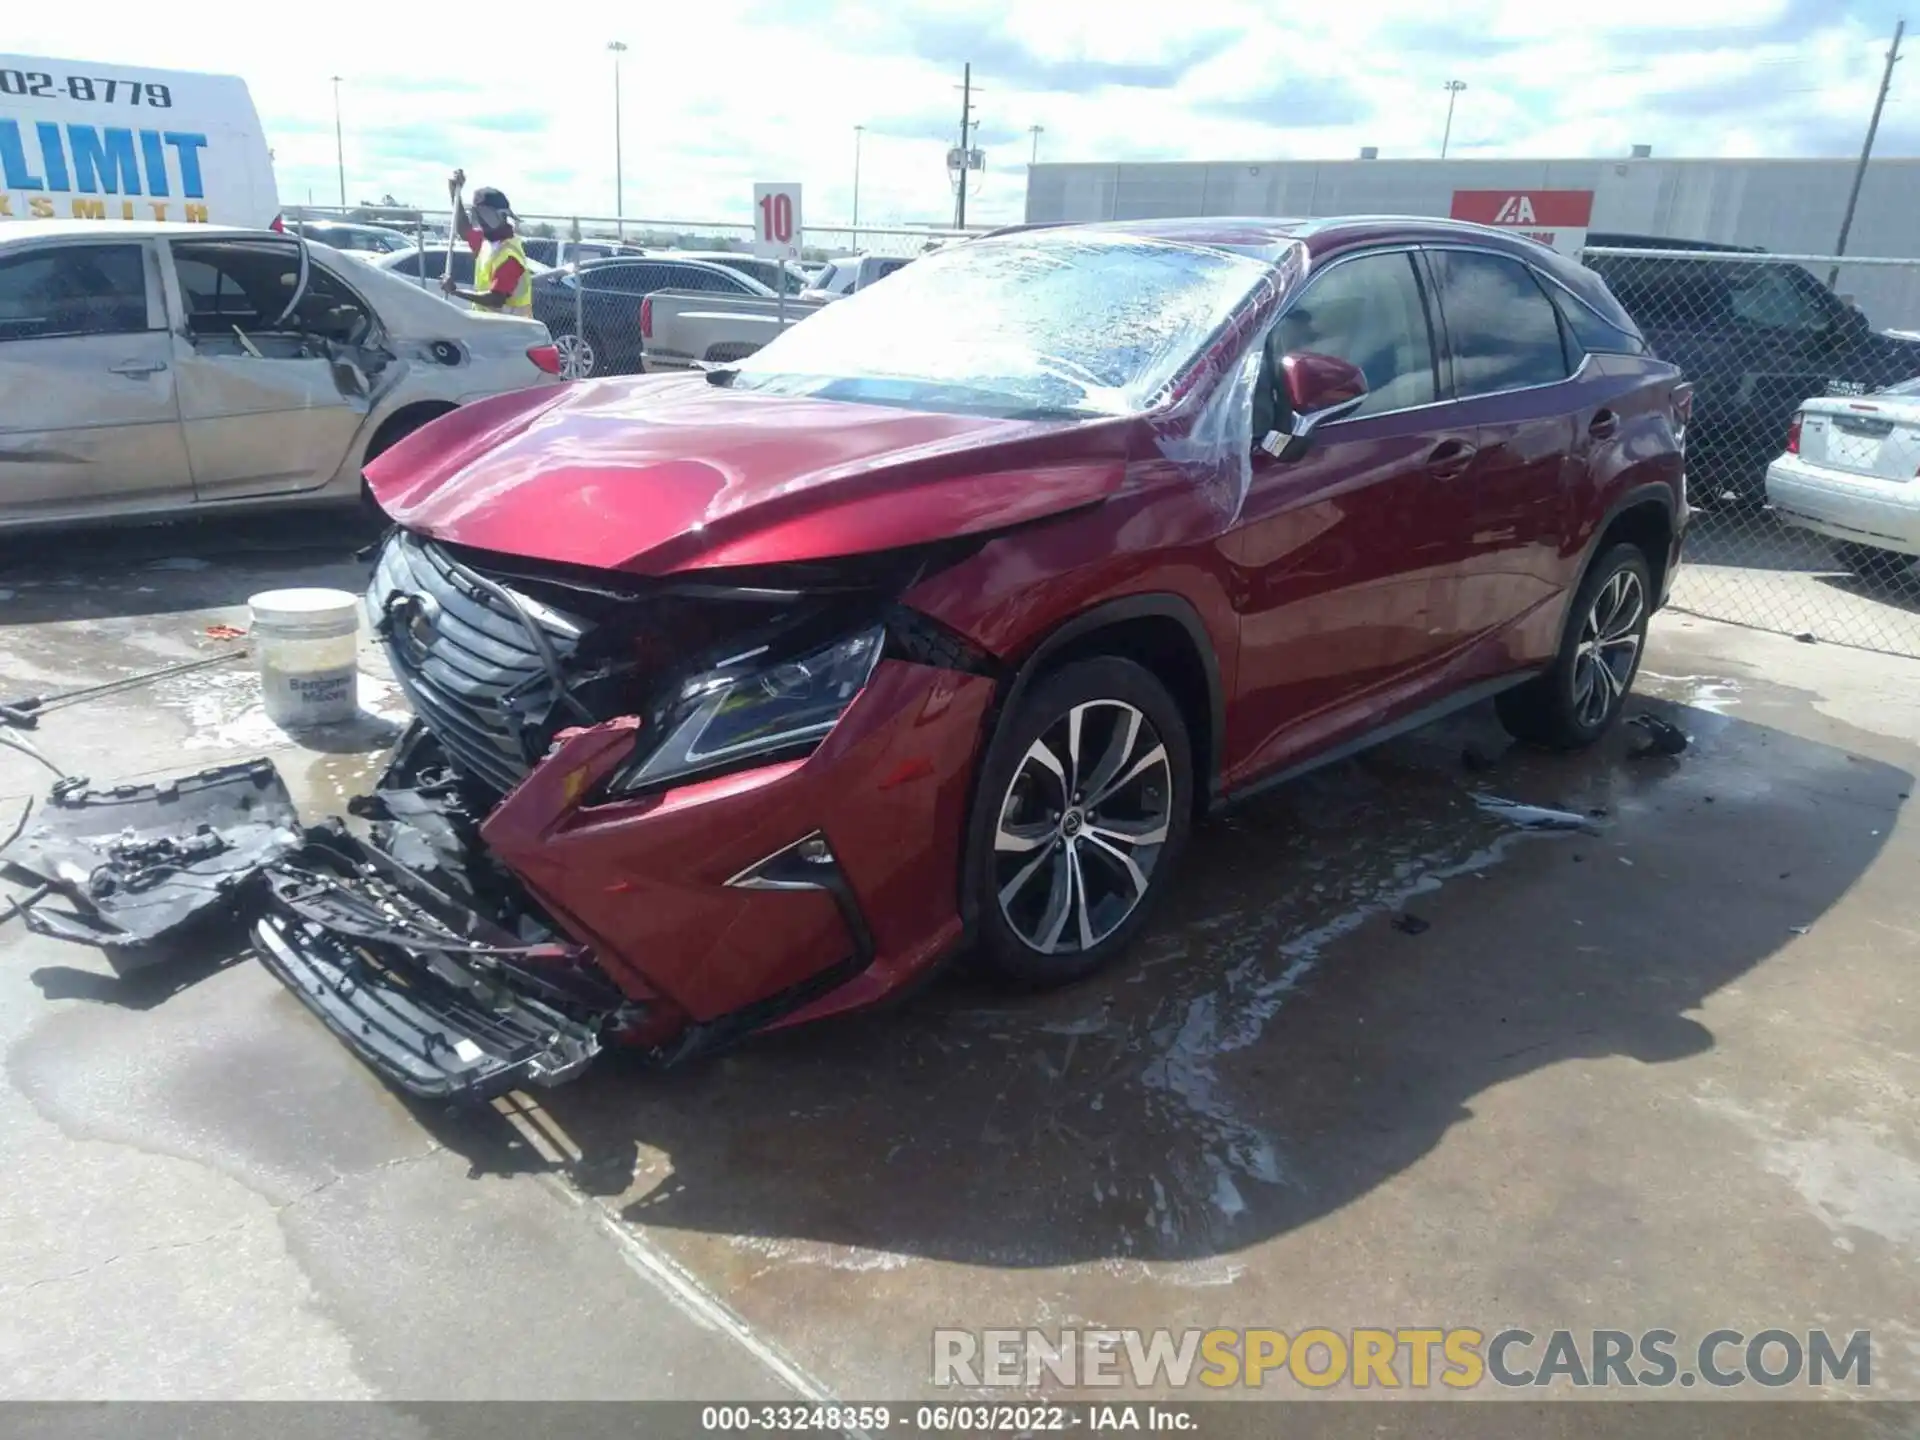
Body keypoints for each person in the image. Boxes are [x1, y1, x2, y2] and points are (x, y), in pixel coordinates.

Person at [441, 168, 533, 317]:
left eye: (485, 214)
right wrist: (455, 194)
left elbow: (496, 299)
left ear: (502, 216)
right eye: (477, 214)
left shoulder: (509, 256)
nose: (481, 220)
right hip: (490, 327)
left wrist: (455, 292)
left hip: (512, 332)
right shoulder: (487, 241)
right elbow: (464, 230)